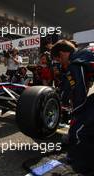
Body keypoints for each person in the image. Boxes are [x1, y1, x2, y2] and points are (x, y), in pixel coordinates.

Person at [51, 40, 94, 174]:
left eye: (58, 60)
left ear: (63, 53)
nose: (60, 63)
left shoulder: (75, 63)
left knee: (78, 130)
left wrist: (75, 116)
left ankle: (83, 167)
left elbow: (79, 95)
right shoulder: (86, 52)